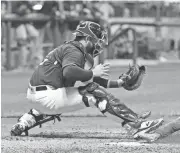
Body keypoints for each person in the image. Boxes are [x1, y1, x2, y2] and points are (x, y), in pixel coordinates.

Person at [10, 21, 163, 139]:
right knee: (94, 94)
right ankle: (137, 125)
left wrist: (119, 83)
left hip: (37, 97)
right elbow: (70, 73)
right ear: (88, 38)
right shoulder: (75, 51)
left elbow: (88, 78)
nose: (99, 44)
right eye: (97, 40)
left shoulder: (71, 49)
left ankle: (25, 121)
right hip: (47, 98)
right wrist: (92, 73)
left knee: (88, 89)